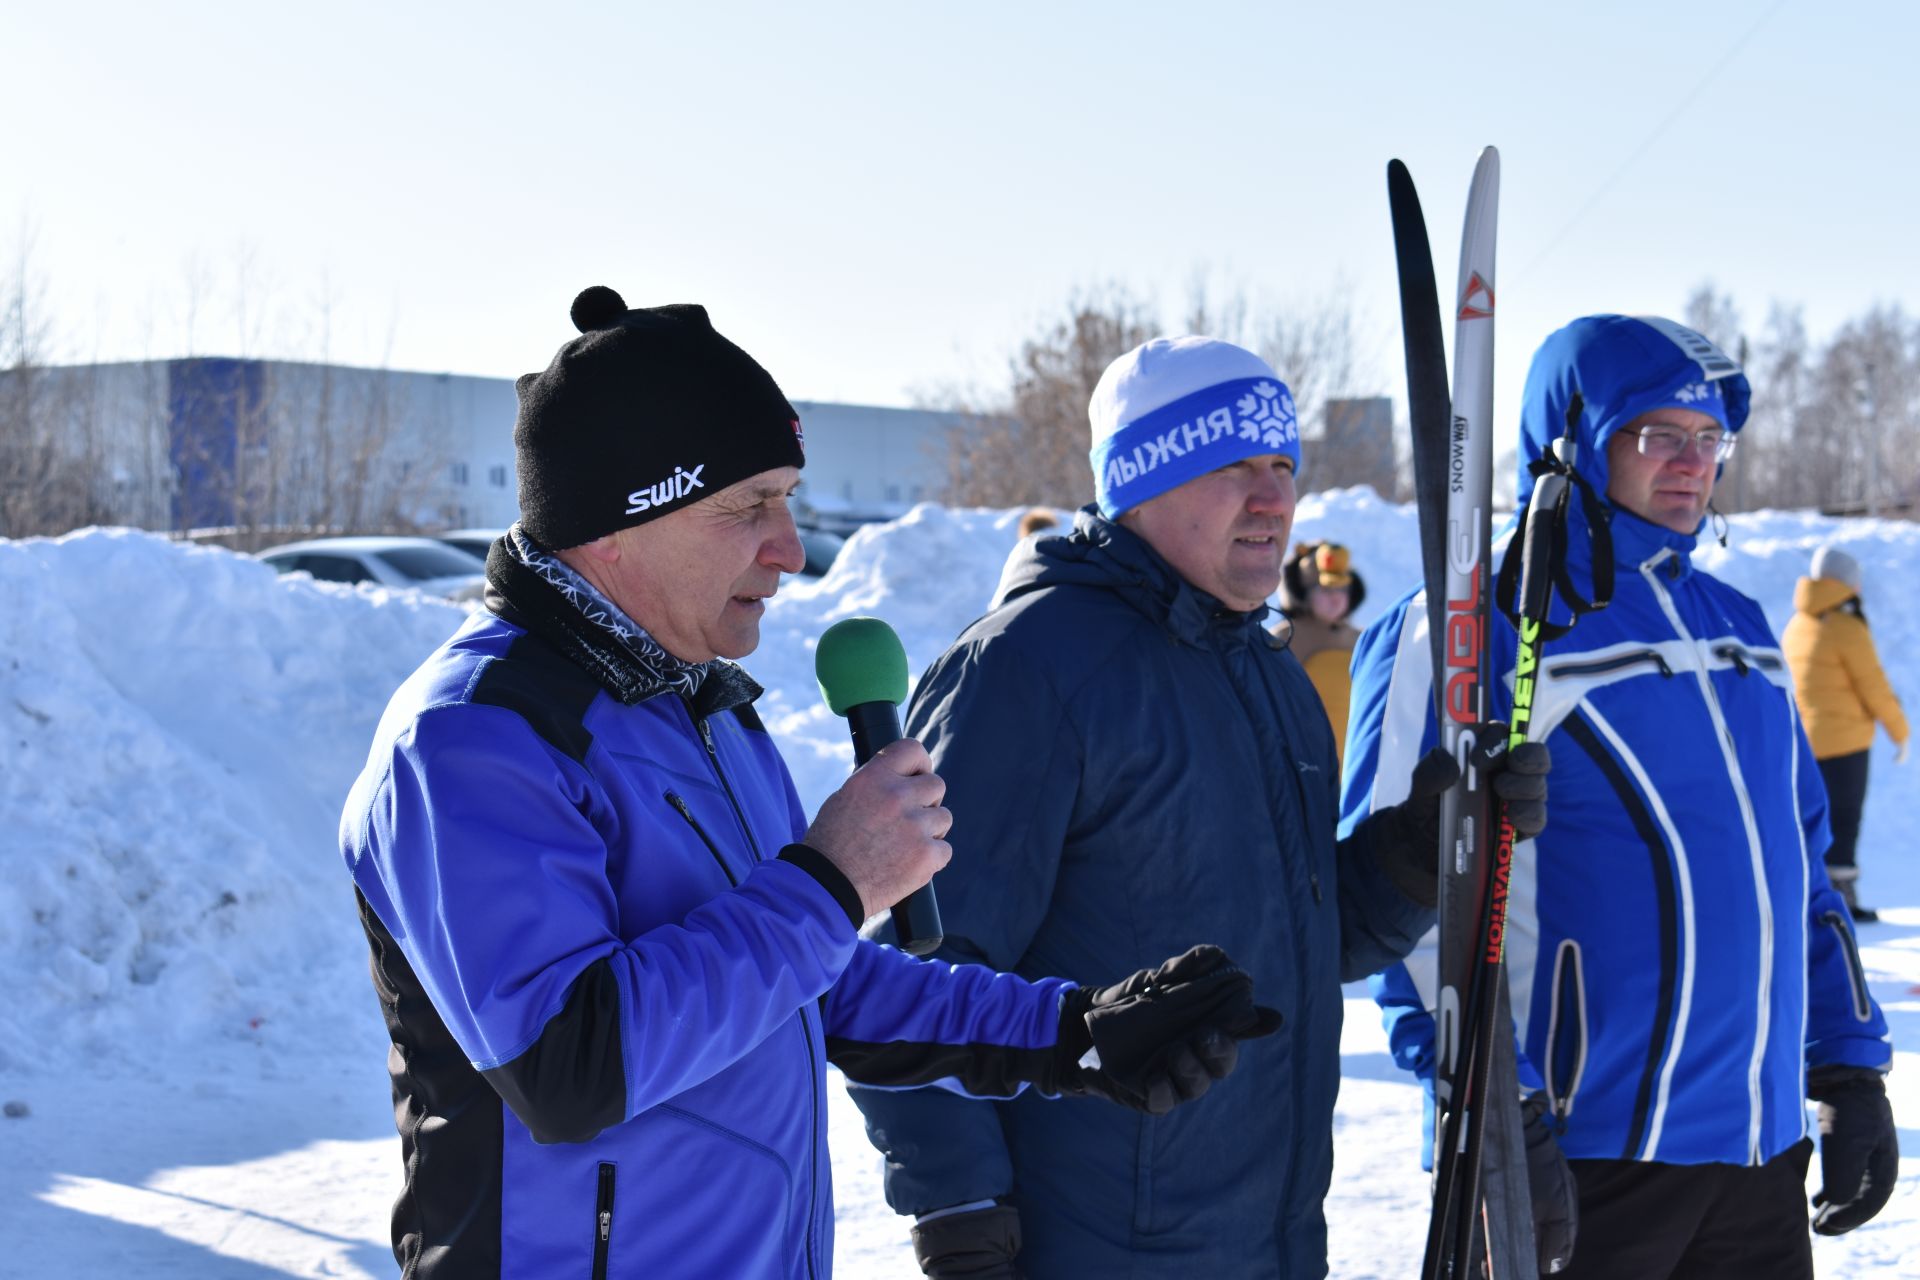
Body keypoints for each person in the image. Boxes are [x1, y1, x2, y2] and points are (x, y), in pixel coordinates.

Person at [338, 289, 1282, 1279]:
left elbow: (812, 975)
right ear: (617, 521)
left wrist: (1069, 1032)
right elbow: (566, 1065)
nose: (790, 547)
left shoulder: (701, 706)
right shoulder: (473, 738)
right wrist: (833, 879)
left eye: (789, 498)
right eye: (750, 506)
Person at [848, 335, 1550, 1278]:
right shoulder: (1031, 669)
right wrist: (962, 1217)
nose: (1273, 498)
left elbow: (1299, 940)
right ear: (1139, 484)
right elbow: (919, 970)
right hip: (1094, 1250)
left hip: (1273, 1240)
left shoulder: (1267, 671)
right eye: (1230, 465)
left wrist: (1416, 853)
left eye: (1282, 465)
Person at [1352, 315, 1897, 1279]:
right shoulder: (1471, 627)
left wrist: (1847, 1063)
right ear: (1577, 438)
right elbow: (1407, 906)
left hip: (1755, 1152)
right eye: (1658, 434)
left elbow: (1798, 868)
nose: (1693, 462)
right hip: (1575, 1148)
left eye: (1709, 438)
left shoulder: (1740, 630)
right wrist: (1493, 1109)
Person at [1783, 542, 1909, 923]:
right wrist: (1900, 732)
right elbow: (1873, 685)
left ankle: (1811, 893)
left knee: (1815, 818)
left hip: (1808, 740)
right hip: (1846, 741)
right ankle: (1844, 899)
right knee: (1845, 819)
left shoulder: (1798, 623)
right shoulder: (1843, 625)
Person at [1275, 540, 1366, 766]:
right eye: (1325, 590)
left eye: (1342, 589)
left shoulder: (1361, 640)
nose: (1336, 598)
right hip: (1299, 766)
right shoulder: (1282, 640)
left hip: (1350, 764)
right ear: (1303, 592)